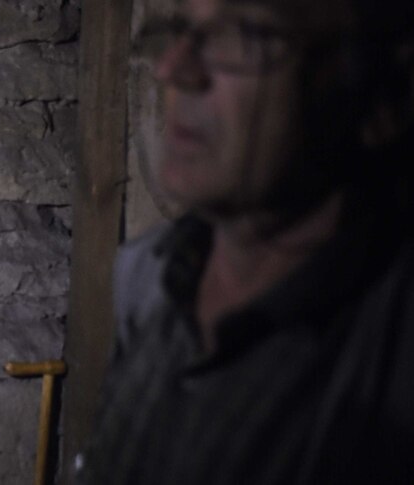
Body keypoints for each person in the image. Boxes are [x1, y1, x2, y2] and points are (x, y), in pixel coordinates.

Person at [79, 0, 414, 484]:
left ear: (387, 98)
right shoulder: (147, 278)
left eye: (245, 33)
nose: (174, 68)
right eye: (181, 30)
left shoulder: (388, 371)